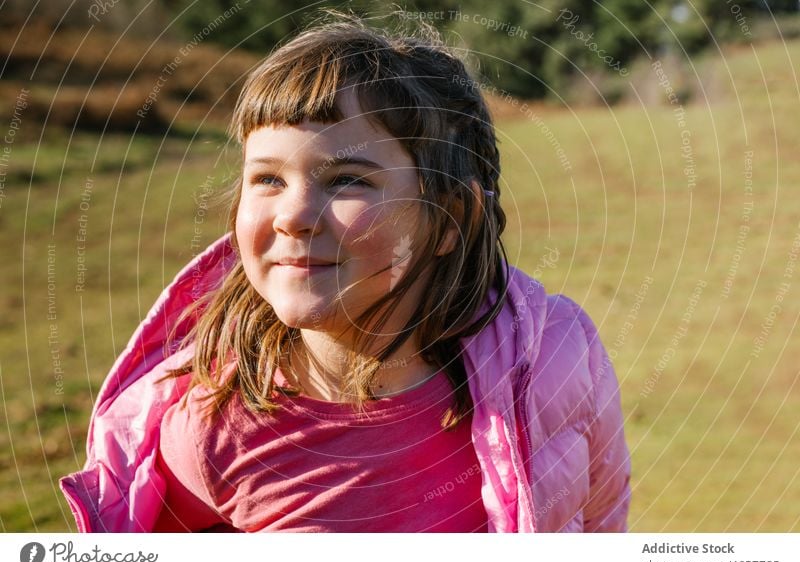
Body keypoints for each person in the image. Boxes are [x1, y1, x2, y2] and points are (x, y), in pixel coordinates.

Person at [60, 14, 631, 533]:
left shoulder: (552, 360)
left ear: (450, 217)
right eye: (268, 180)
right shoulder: (213, 426)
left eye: (348, 179)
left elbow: (601, 521)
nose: (293, 216)